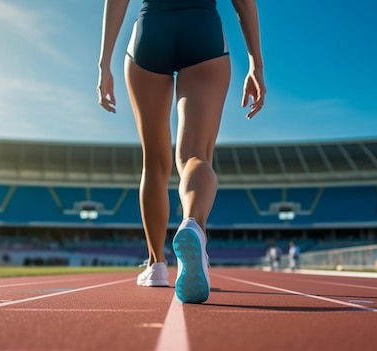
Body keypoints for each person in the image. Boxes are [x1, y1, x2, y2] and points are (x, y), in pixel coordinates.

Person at [97, 0, 266, 303]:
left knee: (154, 164)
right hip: (202, 30)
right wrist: (256, 63)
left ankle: (156, 265)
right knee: (194, 155)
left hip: (151, 30)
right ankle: (192, 224)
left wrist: (104, 63)